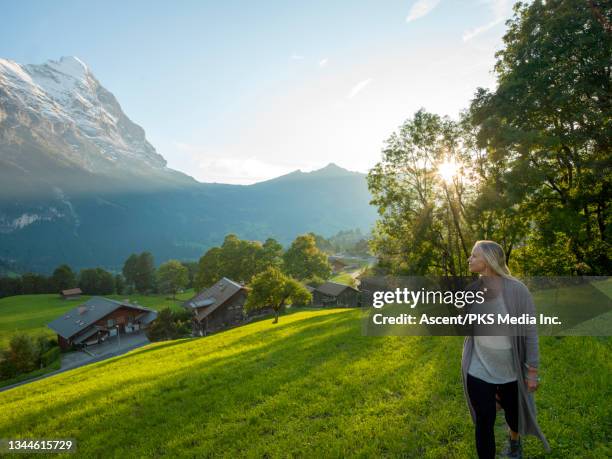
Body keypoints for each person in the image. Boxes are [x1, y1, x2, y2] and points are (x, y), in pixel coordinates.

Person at [461, 240, 550, 458]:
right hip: (478, 368)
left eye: (474, 256)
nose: (469, 259)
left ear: (489, 260)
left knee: (514, 415)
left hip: (511, 370)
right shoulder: (472, 290)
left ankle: (514, 441)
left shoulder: (517, 290)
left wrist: (532, 372)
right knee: (484, 421)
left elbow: (530, 332)